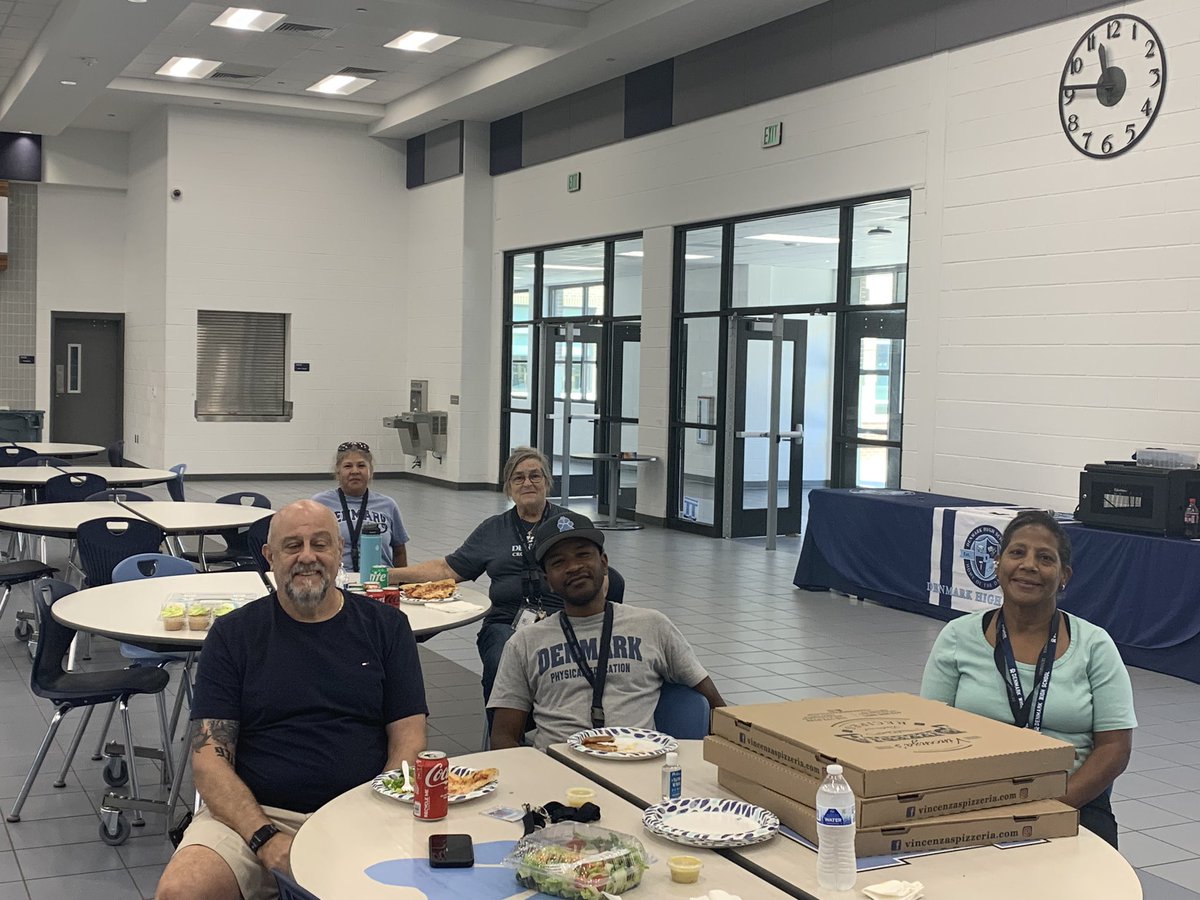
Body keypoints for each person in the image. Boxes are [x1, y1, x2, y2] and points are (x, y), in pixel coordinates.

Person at [156, 500, 428, 900]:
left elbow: (409, 741)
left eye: (320, 544)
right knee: (182, 891)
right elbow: (209, 761)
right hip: (253, 816)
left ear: (339, 552)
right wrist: (265, 838)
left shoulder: (388, 628)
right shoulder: (233, 636)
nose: (307, 557)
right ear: (269, 556)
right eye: (292, 545)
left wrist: (374, 815)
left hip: (361, 809)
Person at [919, 510, 1135, 849]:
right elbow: (928, 733)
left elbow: (1115, 748)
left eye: (1045, 558)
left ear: (1064, 576)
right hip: (971, 799)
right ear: (998, 563)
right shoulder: (957, 637)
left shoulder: (1095, 645)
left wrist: (1049, 808)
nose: (1029, 565)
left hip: (1072, 801)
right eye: (1017, 552)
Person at [488, 510, 725, 751]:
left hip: (638, 768)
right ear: (547, 579)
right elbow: (503, 737)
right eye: (559, 562)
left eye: (583, 555)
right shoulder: (525, 643)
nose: (573, 567)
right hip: (557, 773)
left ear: (604, 563)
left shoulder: (653, 626)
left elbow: (717, 707)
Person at [388, 446, 572, 703]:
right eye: (518, 477)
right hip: (505, 623)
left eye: (535, 476)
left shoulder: (568, 525)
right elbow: (447, 569)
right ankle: (505, 735)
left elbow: (600, 577)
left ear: (547, 482)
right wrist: (391, 575)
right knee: (503, 659)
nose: (527, 483)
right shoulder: (493, 529)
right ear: (509, 486)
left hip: (563, 621)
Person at [312, 441, 409, 573]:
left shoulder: (388, 505)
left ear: (370, 471)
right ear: (338, 470)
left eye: (361, 465)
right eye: (348, 466)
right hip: (339, 581)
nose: (355, 471)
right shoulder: (320, 504)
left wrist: (401, 583)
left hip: (380, 581)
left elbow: (399, 551)